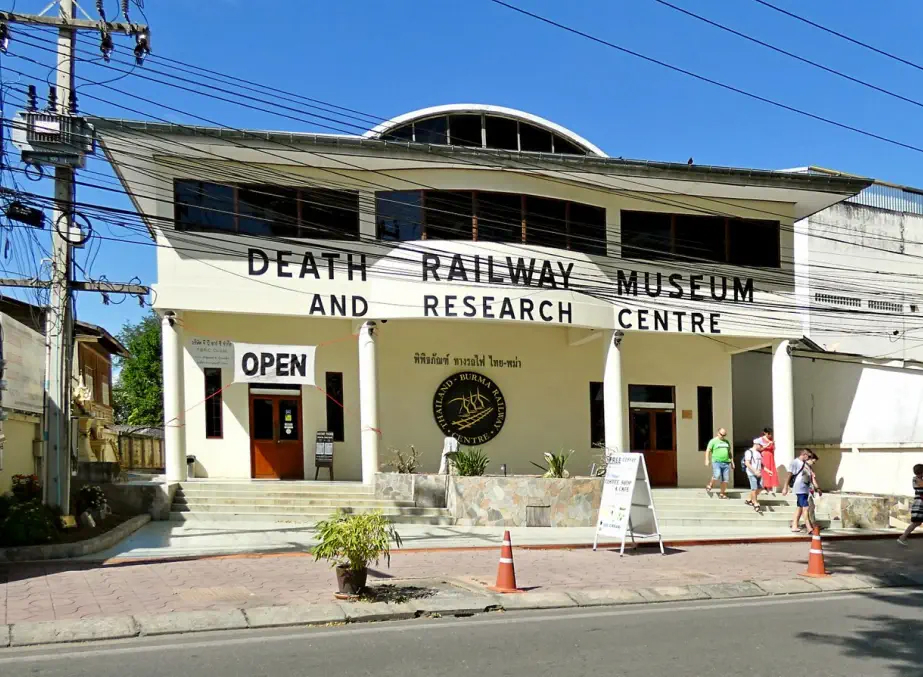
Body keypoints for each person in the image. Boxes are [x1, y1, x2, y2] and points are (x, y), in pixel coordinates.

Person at [783, 449, 820, 532]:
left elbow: (810, 477)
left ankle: (794, 525)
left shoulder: (805, 463)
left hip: (805, 488)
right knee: (805, 507)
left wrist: (817, 488)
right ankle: (809, 527)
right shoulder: (795, 462)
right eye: (809, 456)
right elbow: (789, 474)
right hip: (800, 488)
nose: (809, 458)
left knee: (800, 507)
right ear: (805, 455)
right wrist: (785, 487)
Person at [897, 464, 923, 546]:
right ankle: (902, 537)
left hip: (920, 502)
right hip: (920, 503)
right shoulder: (917, 480)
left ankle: (903, 537)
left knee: (917, 522)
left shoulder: (919, 479)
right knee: (916, 522)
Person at [705, 427, 734, 499]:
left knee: (725, 479)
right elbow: (708, 450)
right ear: (718, 433)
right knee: (717, 475)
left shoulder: (726, 442)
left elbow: (729, 452)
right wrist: (707, 459)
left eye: (724, 435)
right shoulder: (713, 441)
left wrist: (732, 462)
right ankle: (710, 485)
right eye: (722, 435)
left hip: (726, 462)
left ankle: (722, 493)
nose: (723, 436)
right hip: (717, 461)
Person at [744, 438, 764, 512]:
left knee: (761, 487)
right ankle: (755, 502)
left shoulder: (758, 453)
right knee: (754, 488)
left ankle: (749, 499)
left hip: (758, 473)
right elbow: (747, 463)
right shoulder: (749, 452)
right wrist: (754, 471)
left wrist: (767, 471)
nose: (761, 447)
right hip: (751, 473)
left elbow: (761, 464)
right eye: (760, 445)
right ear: (756, 444)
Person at [759, 427, 779, 495]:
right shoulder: (761, 439)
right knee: (765, 471)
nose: (770, 435)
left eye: (770, 434)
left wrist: (773, 444)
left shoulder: (771, 439)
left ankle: (770, 487)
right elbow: (760, 448)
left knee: (771, 470)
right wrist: (768, 444)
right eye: (768, 433)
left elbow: (773, 448)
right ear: (765, 433)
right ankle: (764, 487)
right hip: (764, 456)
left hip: (770, 456)